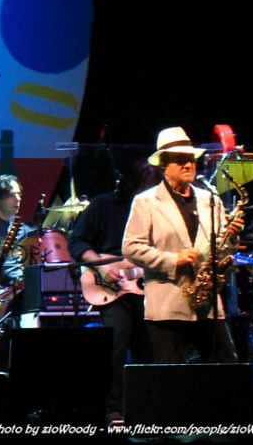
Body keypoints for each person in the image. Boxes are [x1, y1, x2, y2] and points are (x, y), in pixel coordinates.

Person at [122, 127, 244, 365]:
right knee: (172, 378)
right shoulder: (146, 202)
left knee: (227, 368)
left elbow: (221, 250)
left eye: (191, 159)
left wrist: (231, 237)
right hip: (168, 306)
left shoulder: (211, 200)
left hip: (207, 304)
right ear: (164, 165)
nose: (188, 165)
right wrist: (173, 259)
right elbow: (131, 247)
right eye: (180, 160)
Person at [68, 159, 161, 426]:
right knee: (116, 344)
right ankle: (112, 409)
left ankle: (145, 408)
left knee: (149, 347)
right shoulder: (104, 205)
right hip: (112, 287)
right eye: (145, 187)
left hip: (148, 288)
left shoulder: (158, 210)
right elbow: (77, 240)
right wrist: (100, 265)